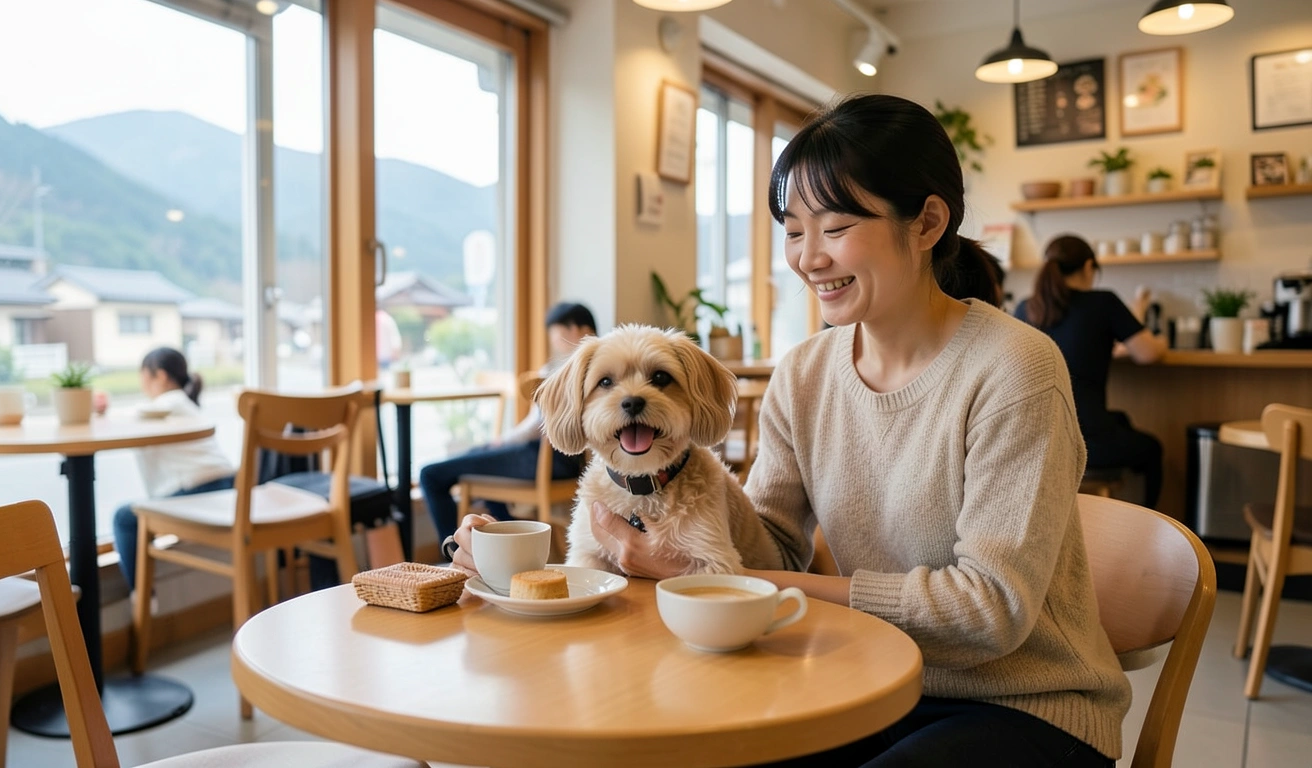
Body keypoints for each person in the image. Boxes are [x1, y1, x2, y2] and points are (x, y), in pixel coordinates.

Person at [452, 94, 1130, 767]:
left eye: (834, 227)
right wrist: (531, 568)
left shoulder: (1014, 368)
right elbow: (772, 550)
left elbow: (990, 612)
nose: (808, 258)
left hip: (1024, 706)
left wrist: (740, 582)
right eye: (794, 230)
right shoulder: (804, 373)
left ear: (926, 223)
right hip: (864, 678)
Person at [420, 302, 597, 543]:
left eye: (556, 334)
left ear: (579, 330)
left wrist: (502, 441)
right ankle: (508, 544)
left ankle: (453, 552)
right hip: (574, 463)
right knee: (480, 462)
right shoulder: (602, 372)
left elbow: (536, 426)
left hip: (549, 458)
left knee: (431, 474)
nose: (554, 341)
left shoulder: (562, 369)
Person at [1014, 235, 1168, 508]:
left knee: (1121, 419)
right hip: (1083, 443)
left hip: (1035, 443)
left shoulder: (1026, 308)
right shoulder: (1103, 302)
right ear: (1088, 267)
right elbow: (1147, 353)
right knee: (1152, 448)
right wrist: (1161, 342)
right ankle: (1149, 530)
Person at [113, 348, 237, 591]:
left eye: (143, 376)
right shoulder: (186, 404)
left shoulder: (166, 405)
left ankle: (142, 595)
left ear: (159, 376)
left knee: (124, 518)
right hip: (228, 484)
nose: (142, 385)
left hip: (200, 490)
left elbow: (125, 421)